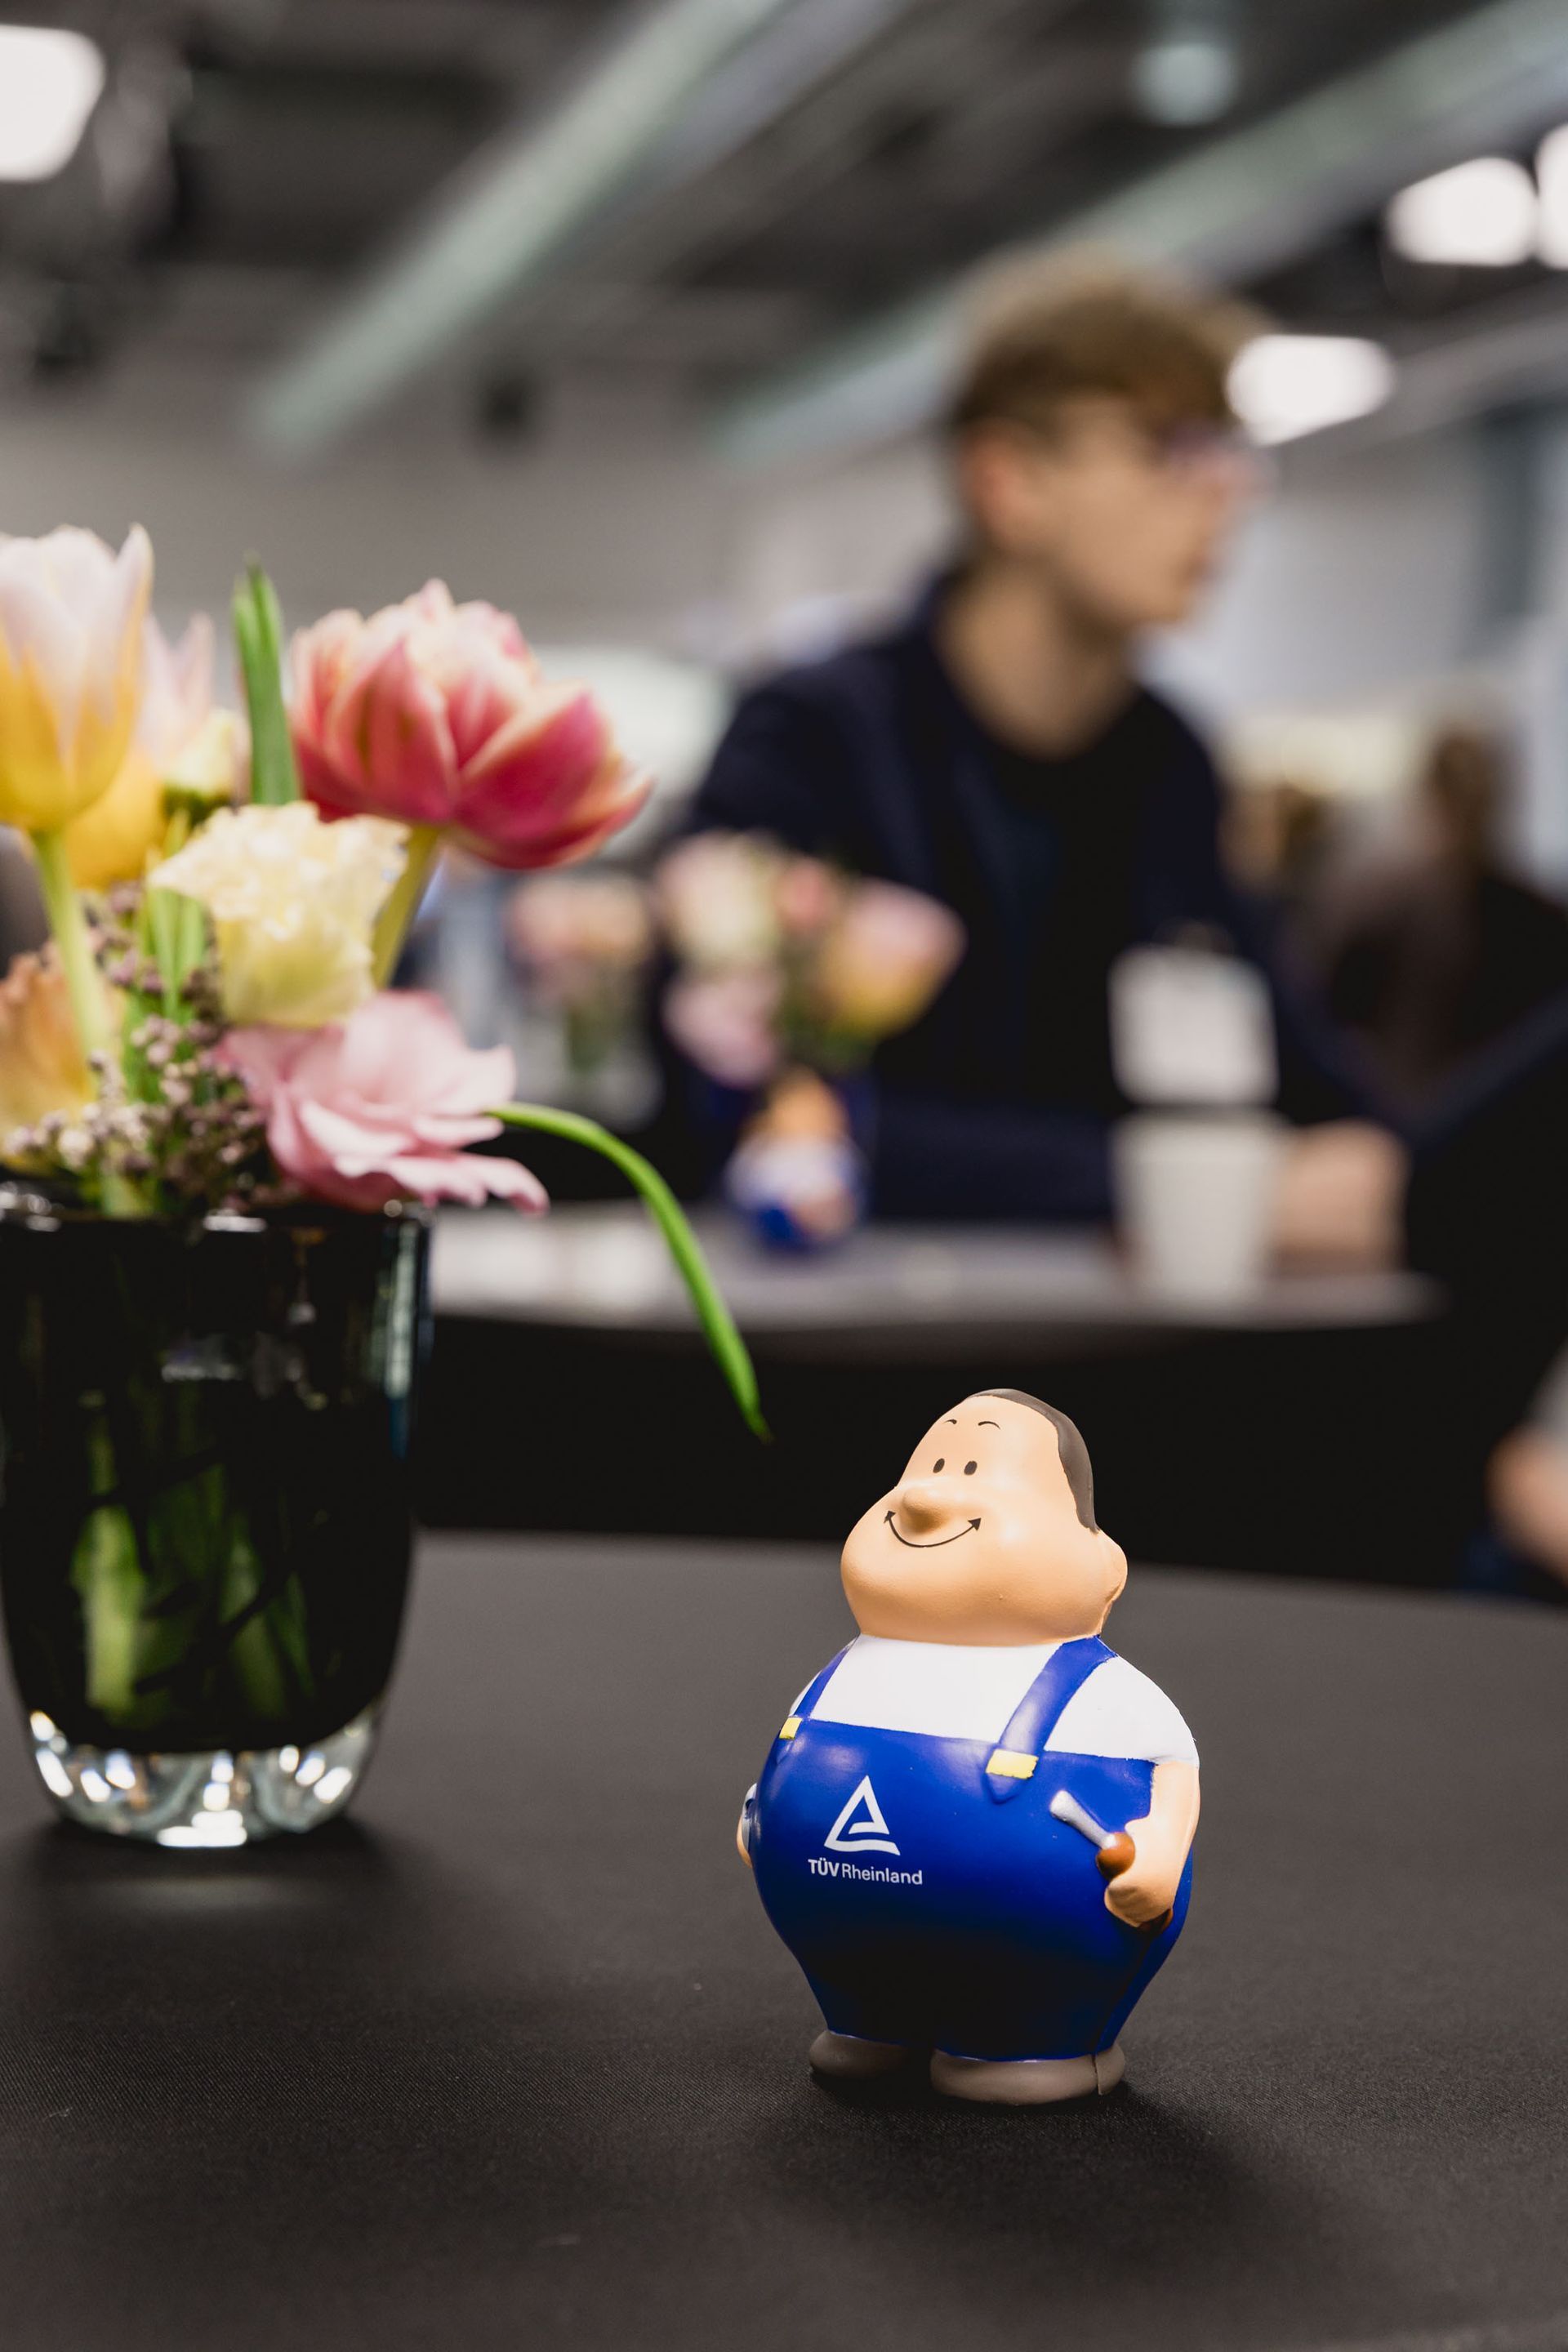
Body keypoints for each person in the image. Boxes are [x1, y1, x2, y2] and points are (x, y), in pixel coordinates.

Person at [685, 255, 1396, 1231]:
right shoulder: (815, 738)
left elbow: (1301, 1078)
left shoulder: (1171, 766)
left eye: (1228, 452)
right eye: (1167, 447)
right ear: (1008, 482)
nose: (1224, 492)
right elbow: (747, 1115)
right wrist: (1159, 1188)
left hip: (1130, 1314)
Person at [738, 1388, 1199, 2105]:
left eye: (975, 1470)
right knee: (863, 2004)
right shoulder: (853, 1662)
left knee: (1020, 2015)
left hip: (1041, 1953)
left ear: (1104, 1563)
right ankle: (868, 2025)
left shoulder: (1098, 1685)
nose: (925, 1497)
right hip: (838, 1933)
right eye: (935, 1465)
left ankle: (1029, 2043)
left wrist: (1161, 1851)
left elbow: (1175, 1767)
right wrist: (759, 1815)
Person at [1312, 727, 1568, 1114]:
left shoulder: (1377, 902)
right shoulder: (1539, 911)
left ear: (1427, 795)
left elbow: (1328, 1010)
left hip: (1407, 1114)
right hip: (1503, 1120)